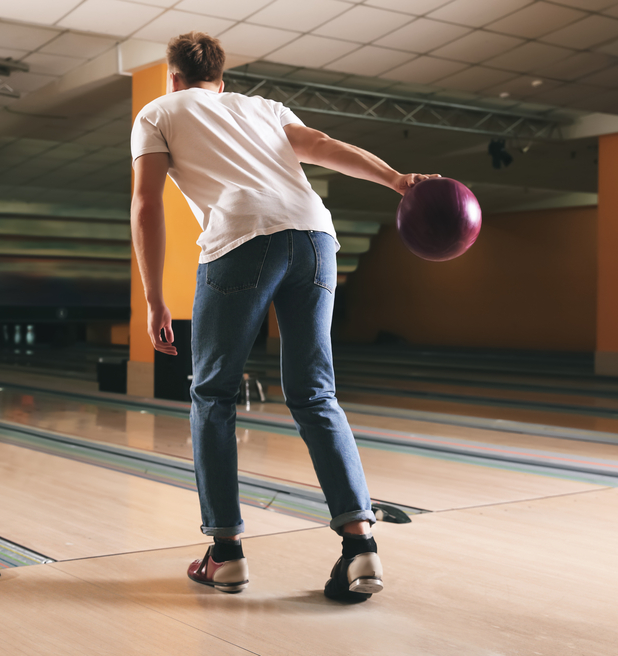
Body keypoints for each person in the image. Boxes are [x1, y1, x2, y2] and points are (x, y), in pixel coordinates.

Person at [130, 32, 438, 602]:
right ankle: (359, 546)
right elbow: (321, 144)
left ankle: (225, 554)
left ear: (173, 77)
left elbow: (147, 205)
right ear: (221, 81)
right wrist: (396, 180)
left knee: (214, 394)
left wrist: (153, 299)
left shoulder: (157, 111)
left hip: (242, 237)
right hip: (316, 237)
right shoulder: (263, 107)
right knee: (315, 393)